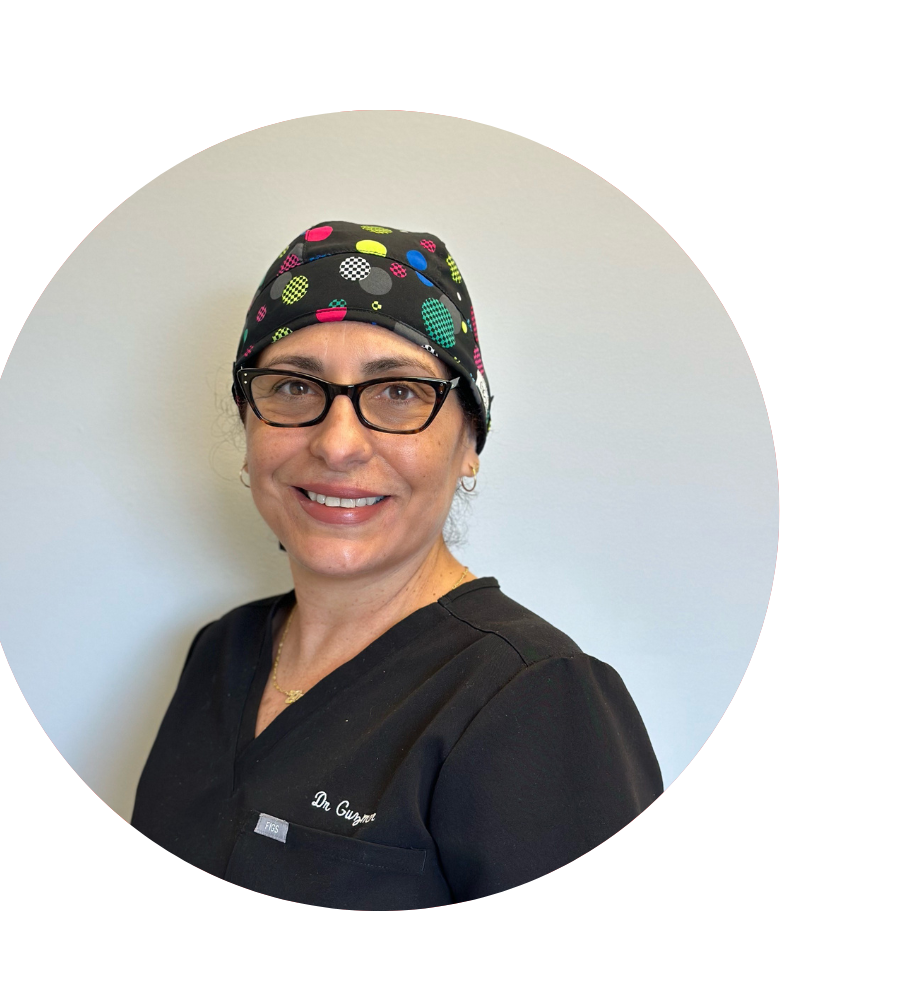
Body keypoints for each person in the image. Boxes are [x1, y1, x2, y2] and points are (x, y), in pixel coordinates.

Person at [131, 220, 663, 910]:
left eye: (400, 392)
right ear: (250, 425)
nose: (338, 445)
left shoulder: (535, 698)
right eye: (293, 387)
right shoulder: (220, 650)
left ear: (469, 440)